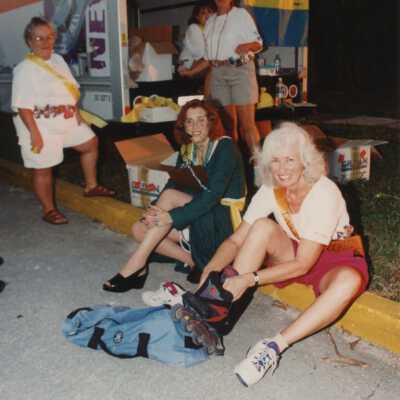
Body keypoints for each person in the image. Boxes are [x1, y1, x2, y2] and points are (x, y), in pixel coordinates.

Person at [199, 122, 369, 386]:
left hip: (333, 257)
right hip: (295, 250)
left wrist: (249, 278)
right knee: (262, 227)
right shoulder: (271, 189)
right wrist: (208, 276)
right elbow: (235, 240)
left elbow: (304, 265)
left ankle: (271, 348)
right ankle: (216, 315)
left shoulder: (325, 192)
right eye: (275, 161)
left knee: (349, 281)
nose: (282, 169)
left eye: (290, 159)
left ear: (305, 161)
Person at [103, 99, 246, 292]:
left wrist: (171, 216)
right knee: (139, 228)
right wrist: (154, 210)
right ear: (183, 125)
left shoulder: (224, 148)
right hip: (199, 213)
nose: (194, 126)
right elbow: (175, 182)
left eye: (201, 120)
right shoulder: (188, 149)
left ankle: (135, 265)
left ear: (211, 122)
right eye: (189, 121)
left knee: (169, 198)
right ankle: (193, 261)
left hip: (223, 219)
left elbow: (212, 196)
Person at [12, 17, 115, 225]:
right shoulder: (25, 68)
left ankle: (91, 186)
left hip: (66, 118)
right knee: (43, 168)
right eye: (39, 37)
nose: (45, 42)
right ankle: (49, 210)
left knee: (90, 143)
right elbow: (23, 106)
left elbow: (71, 89)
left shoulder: (58, 60)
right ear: (29, 41)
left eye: (49, 37)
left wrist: (77, 113)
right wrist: (35, 134)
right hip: (39, 124)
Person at [179, 0, 263, 153]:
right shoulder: (210, 21)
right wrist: (191, 71)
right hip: (217, 73)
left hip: (239, 70)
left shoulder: (241, 15)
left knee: (247, 125)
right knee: (227, 127)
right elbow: (208, 57)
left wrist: (246, 46)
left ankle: (260, 168)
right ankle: (233, 167)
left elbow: (258, 44)